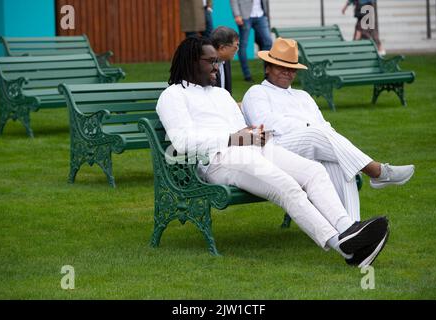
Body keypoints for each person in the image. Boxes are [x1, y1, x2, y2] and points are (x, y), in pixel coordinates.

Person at [156, 36, 390, 268]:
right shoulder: (173, 96)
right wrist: (237, 138)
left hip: (252, 149)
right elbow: (182, 141)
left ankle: (348, 228)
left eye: (218, 61)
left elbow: (241, 129)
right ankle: (343, 246)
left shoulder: (220, 94)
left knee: (314, 171)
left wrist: (254, 135)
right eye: (211, 62)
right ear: (192, 62)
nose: (218, 67)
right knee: (286, 185)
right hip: (218, 160)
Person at [241, 37, 415, 222]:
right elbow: (266, 125)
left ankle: (351, 229)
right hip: (275, 149)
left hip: (311, 148)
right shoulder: (256, 92)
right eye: (280, 66)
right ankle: (376, 171)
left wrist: (315, 130)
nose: (287, 72)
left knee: (340, 164)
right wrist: (310, 128)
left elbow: (324, 125)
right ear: (267, 67)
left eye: (291, 68)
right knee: (317, 135)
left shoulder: (303, 95)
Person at [230, 0, 272, 82]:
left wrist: (266, 14)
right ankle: (247, 75)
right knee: (243, 45)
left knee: (268, 43)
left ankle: (268, 74)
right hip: (245, 15)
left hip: (261, 15)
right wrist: (237, 14)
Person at [210, 26, 239, 95]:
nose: (237, 49)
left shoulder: (226, 60)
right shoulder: (205, 66)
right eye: (236, 45)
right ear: (222, 48)